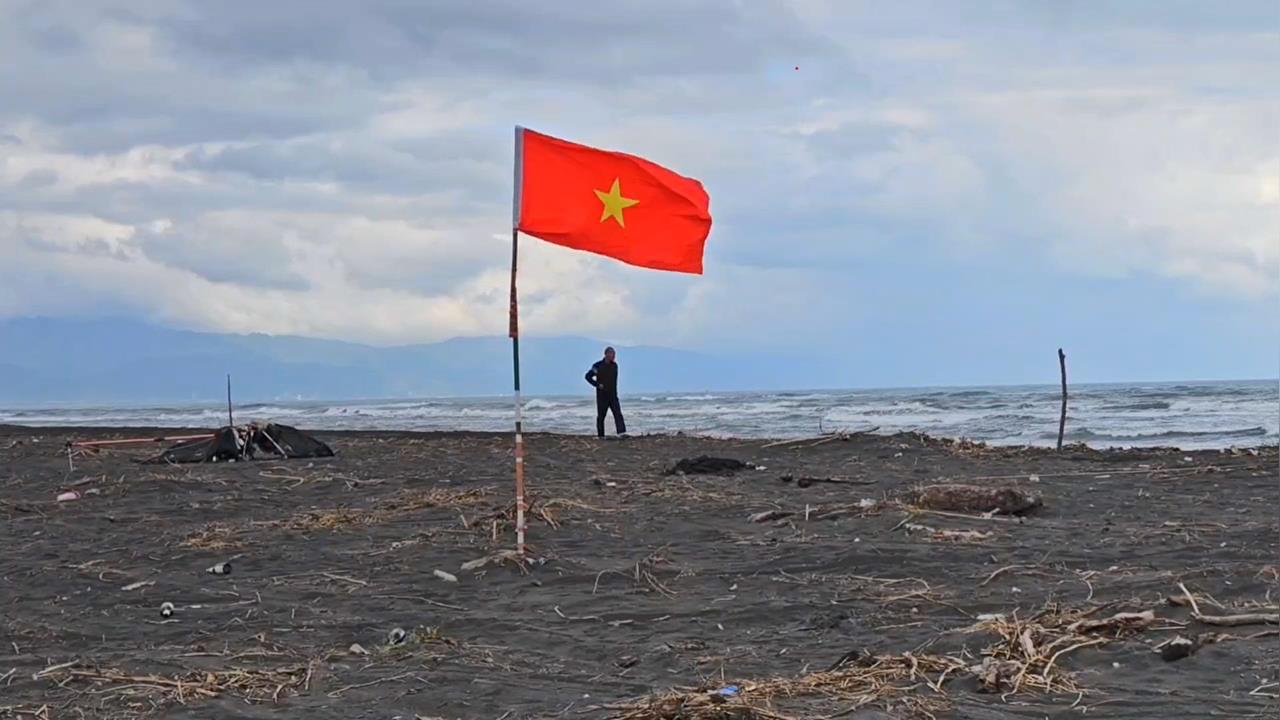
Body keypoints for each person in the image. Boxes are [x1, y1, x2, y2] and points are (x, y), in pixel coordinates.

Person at [585, 346, 626, 438]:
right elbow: (587, 376)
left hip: (613, 395)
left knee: (618, 414)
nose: (614, 356)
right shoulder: (597, 366)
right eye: (612, 354)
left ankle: (622, 433)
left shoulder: (614, 366)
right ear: (606, 354)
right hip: (602, 396)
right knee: (601, 417)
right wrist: (597, 385)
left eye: (614, 354)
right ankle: (601, 435)